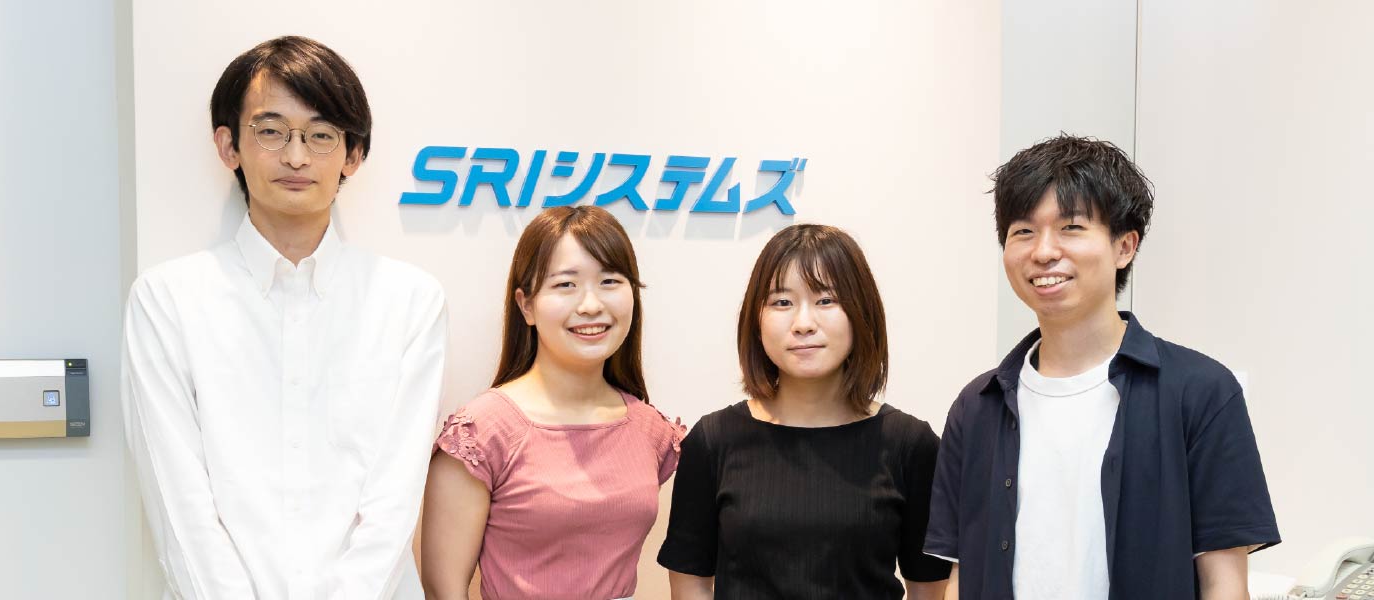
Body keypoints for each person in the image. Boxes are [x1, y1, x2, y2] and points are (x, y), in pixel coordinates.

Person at [121, 36, 448, 599]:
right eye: (271, 131)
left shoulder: (410, 301)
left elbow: (394, 499)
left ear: (353, 155)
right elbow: (179, 506)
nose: (297, 157)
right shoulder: (167, 300)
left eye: (321, 135)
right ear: (229, 145)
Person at [925, 135, 1280, 600]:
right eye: (1023, 231)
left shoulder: (1201, 392)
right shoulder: (977, 406)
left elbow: (1224, 585)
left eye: (1071, 227)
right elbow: (960, 579)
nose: (1043, 251)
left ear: (1125, 247)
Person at [659, 224, 951, 600]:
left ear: (861, 313)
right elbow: (691, 584)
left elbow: (928, 588)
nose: (803, 324)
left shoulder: (910, 444)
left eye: (826, 300)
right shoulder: (713, 440)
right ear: (756, 319)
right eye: (782, 302)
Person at [419, 206, 683, 600]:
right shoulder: (481, 433)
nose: (591, 304)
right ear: (526, 305)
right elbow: (444, 590)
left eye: (610, 281)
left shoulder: (651, 431)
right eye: (566, 284)